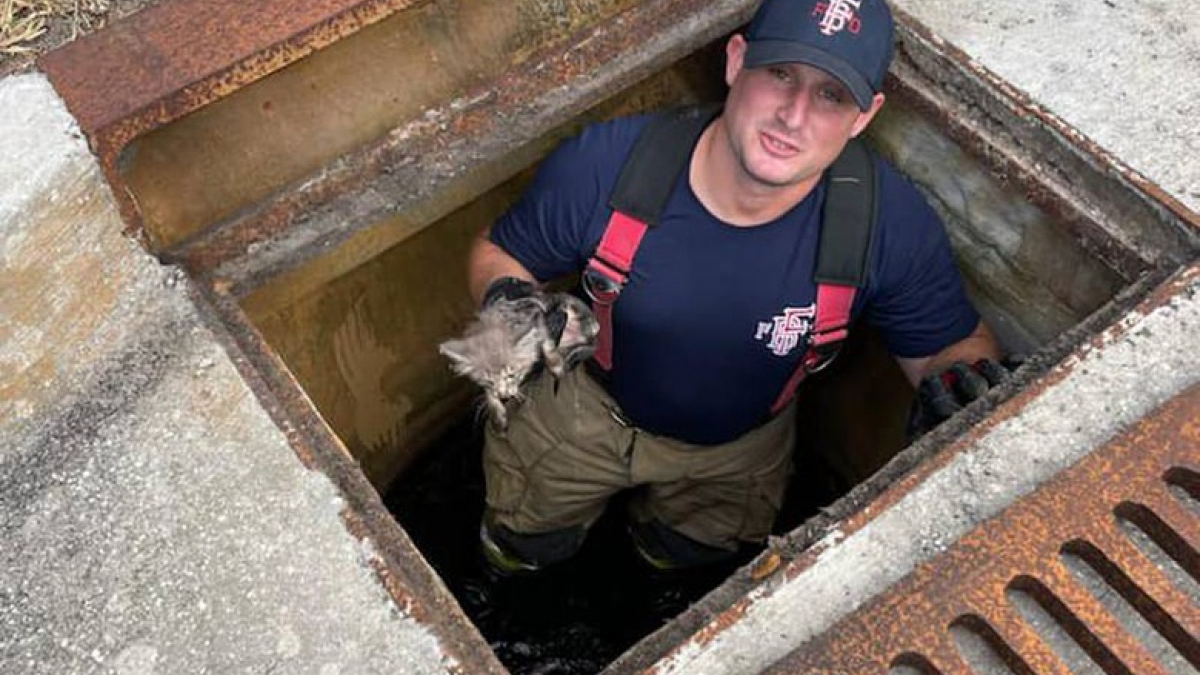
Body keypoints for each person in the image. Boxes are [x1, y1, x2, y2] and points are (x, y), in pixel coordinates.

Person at [463, 0, 1005, 576]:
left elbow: (952, 347)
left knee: (686, 560)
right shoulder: (607, 168)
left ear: (864, 116)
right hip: (581, 415)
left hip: (741, 451)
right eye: (780, 74)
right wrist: (511, 309)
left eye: (830, 95)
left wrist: (963, 388)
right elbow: (503, 252)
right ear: (736, 61)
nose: (793, 116)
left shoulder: (885, 225)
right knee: (522, 546)